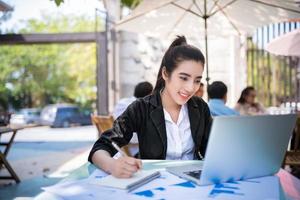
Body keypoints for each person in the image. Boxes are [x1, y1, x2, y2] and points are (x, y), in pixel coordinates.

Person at [88, 36, 212, 178]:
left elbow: (213, 150)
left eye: (197, 80)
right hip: (155, 183)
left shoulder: (200, 107)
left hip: (194, 183)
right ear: (165, 74)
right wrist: (112, 165)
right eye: (183, 78)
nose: (191, 88)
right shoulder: (141, 108)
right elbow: (100, 147)